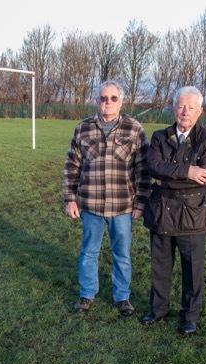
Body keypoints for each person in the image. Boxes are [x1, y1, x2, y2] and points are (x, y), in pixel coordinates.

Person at [62, 80, 151, 316]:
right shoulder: (83, 128)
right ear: (97, 101)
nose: (108, 102)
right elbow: (72, 165)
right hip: (90, 205)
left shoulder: (134, 129)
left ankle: (122, 296)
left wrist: (141, 202)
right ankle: (87, 293)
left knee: (122, 254)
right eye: (103, 98)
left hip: (123, 207)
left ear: (121, 101)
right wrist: (70, 198)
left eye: (113, 98)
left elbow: (143, 170)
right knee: (89, 252)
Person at [140, 86, 206, 334]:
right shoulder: (159, 137)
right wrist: (188, 171)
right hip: (161, 210)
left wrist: (167, 176)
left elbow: (205, 178)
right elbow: (152, 167)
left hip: (191, 213)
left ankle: (190, 316)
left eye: (191, 108)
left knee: (192, 269)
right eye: (181, 106)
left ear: (200, 111)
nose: (185, 112)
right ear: (173, 108)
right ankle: (158, 309)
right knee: (160, 266)